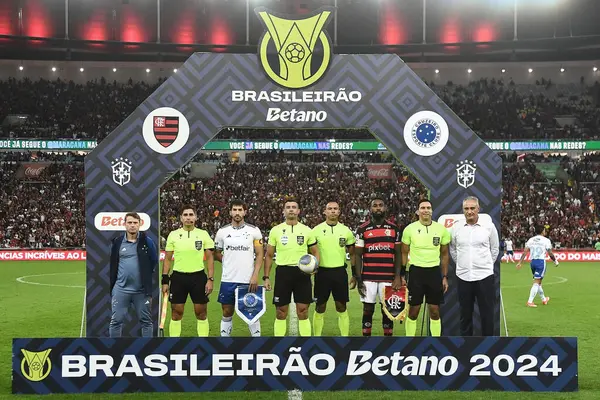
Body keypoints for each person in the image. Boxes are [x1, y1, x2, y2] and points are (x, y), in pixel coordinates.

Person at [264, 198, 319, 337]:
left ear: (298, 211)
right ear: (284, 211)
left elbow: (315, 252)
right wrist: (266, 277)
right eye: (288, 207)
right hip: (283, 272)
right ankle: (279, 344)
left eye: (294, 207)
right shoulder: (275, 230)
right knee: (281, 311)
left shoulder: (307, 230)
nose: (291, 209)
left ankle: (305, 343)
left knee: (303, 311)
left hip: (302, 273)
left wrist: (314, 267)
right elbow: (269, 255)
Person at [353, 195, 403, 337]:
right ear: (370, 209)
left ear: (385, 208)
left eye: (381, 205)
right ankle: (366, 339)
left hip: (388, 277)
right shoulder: (362, 229)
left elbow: (398, 254)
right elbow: (357, 255)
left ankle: (387, 340)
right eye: (375, 205)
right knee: (368, 309)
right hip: (369, 276)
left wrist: (398, 276)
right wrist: (359, 278)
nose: (378, 208)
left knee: (387, 309)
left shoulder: (394, 229)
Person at [162, 204, 215, 337]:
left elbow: (209, 258)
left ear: (196, 217)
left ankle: (204, 343)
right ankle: (173, 344)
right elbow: (167, 259)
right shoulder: (173, 235)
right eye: (185, 215)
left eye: (191, 215)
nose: (188, 218)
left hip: (198, 278)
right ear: (181, 218)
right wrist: (164, 280)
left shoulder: (203, 234)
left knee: (201, 313)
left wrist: (210, 279)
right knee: (176, 313)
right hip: (178, 278)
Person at [449, 196, 499, 336]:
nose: (469, 211)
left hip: (484, 276)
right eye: (466, 208)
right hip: (463, 276)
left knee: (487, 315)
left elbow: (494, 249)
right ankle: (466, 346)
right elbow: (453, 248)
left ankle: (488, 345)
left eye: (472, 208)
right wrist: (462, 264)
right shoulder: (456, 227)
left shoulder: (488, 226)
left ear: (478, 209)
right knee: (465, 315)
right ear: (463, 210)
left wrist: (486, 265)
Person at [214, 199, 264, 337]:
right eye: (234, 210)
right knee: (227, 311)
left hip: (248, 280)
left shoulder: (254, 231)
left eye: (240, 210)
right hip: (228, 279)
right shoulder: (222, 232)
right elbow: (216, 252)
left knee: (252, 312)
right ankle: (225, 340)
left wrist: (255, 276)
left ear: (245, 212)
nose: (237, 213)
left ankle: (257, 341)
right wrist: (226, 260)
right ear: (230, 212)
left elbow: (260, 255)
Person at [401, 199, 450, 337]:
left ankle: (436, 341)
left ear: (432, 210)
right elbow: (404, 252)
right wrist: (403, 274)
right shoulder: (409, 229)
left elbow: (445, 255)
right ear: (418, 211)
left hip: (434, 273)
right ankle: (409, 341)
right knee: (413, 311)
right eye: (423, 207)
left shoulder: (441, 229)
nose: (426, 210)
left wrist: (444, 276)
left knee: (434, 311)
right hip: (416, 272)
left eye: (428, 207)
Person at [109, 212, 159, 337]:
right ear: (124, 224)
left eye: (135, 223)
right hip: (121, 289)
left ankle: (147, 350)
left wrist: (145, 276)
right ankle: (115, 351)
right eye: (129, 222)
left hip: (141, 291)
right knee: (116, 321)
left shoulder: (147, 242)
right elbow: (113, 263)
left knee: (146, 322)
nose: (132, 225)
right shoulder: (118, 242)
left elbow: (154, 261)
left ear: (140, 224)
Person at [311, 201, 356, 336]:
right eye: (329, 209)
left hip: (339, 273)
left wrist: (354, 274)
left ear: (339, 211)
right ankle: (317, 338)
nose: (332, 211)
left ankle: (344, 338)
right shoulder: (316, 230)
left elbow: (353, 253)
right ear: (324, 212)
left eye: (335, 209)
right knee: (320, 306)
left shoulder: (346, 231)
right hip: (322, 273)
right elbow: (310, 252)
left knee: (341, 306)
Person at [516, 224, 558, 307]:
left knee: (539, 282)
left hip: (533, 262)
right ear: (542, 231)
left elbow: (525, 252)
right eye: (545, 230)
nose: (545, 231)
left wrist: (520, 262)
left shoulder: (531, 240)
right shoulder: (546, 240)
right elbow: (550, 253)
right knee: (536, 282)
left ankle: (543, 299)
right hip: (540, 262)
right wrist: (555, 261)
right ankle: (530, 301)